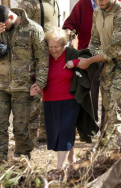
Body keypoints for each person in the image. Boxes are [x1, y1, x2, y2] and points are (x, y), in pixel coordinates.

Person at [62, 0, 121, 126]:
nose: (99, 3)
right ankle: (102, 136)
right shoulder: (97, 11)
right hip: (103, 63)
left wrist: (89, 60)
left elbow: (114, 49)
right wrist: (90, 57)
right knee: (105, 103)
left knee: (116, 110)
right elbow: (94, 40)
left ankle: (114, 144)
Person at [0, 5, 49, 165]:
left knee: (21, 129)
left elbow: (42, 59)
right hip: (0, 86)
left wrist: (39, 83)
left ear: (11, 18)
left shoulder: (33, 30)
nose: (0, 29)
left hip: (24, 89)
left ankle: (22, 163)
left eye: (3, 25)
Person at [35, 27, 98, 170]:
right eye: (50, 46)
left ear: (63, 44)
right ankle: (72, 162)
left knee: (65, 131)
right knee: (58, 132)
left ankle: (59, 167)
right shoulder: (45, 57)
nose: (53, 50)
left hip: (70, 101)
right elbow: (38, 74)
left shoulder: (71, 53)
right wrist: (36, 86)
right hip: (49, 101)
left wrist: (74, 63)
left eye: (56, 46)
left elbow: (91, 63)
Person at [20, 0, 69, 144]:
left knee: (50, 92)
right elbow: (21, 29)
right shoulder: (31, 1)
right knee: (35, 96)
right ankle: (30, 137)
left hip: (52, 53)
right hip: (36, 56)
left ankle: (45, 131)